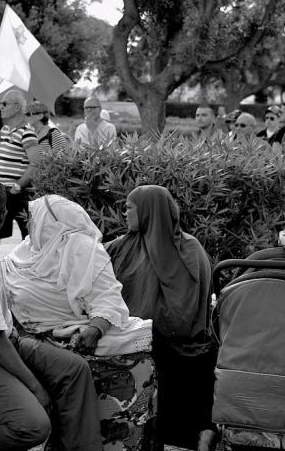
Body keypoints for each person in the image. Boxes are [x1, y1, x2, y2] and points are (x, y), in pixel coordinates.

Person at [0, 179, 102, 451]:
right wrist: (35, 386)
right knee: (35, 425)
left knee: (74, 369)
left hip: (1, 344)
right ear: (3, 217)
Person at [0, 194, 156, 450]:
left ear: (51, 223)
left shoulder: (83, 248)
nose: (29, 227)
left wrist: (96, 327)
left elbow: (108, 299)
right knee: (74, 369)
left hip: (77, 335)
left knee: (138, 362)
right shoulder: (25, 253)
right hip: (31, 340)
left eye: (34, 221)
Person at [104, 185, 215, 449]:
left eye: (130, 207)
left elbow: (187, 309)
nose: (124, 212)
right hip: (133, 336)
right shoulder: (124, 245)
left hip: (179, 342)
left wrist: (148, 325)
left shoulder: (188, 249)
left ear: (148, 210)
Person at [0, 90, 38, 248]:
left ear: (17, 107)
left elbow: (36, 164)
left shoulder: (27, 133)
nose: (0, 107)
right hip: (3, 192)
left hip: (18, 193)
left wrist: (18, 186)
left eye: (4, 104)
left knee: (29, 237)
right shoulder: (5, 130)